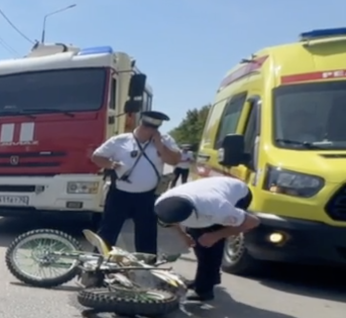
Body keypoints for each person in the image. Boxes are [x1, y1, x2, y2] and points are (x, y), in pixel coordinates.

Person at [90, 110, 182, 255]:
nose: (149, 132)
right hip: (119, 194)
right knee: (108, 231)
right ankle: (97, 266)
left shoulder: (165, 140)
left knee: (147, 235)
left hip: (147, 196)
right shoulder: (120, 140)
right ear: (141, 124)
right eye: (147, 127)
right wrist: (111, 164)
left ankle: (146, 269)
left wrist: (159, 145)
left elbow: (174, 160)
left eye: (154, 129)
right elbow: (97, 157)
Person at [154, 175, 260, 301]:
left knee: (208, 244)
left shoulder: (218, 209)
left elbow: (253, 222)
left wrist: (216, 235)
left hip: (239, 194)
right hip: (208, 191)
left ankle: (204, 290)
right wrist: (184, 236)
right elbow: (170, 223)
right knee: (197, 240)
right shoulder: (162, 202)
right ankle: (207, 278)